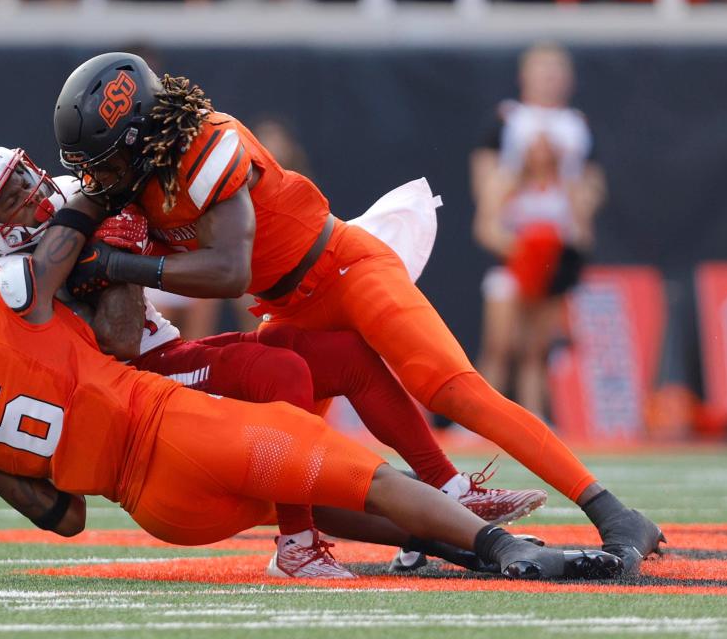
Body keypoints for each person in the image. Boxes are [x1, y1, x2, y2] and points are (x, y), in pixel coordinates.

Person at [52, 52, 662, 574]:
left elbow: (229, 271)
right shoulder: (133, 187)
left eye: (102, 160)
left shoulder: (209, 144)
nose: (96, 176)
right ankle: (408, 523)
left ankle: (613, 511)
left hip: (344, 269)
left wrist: (124, 266)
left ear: (139, 137)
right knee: (284, 444)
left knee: (449, 389)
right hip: (285, 304)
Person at [0, 143, 548, 578]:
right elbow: (115, 338)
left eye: (23, 174)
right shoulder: (9, 279)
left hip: (165, 351)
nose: (34, 191)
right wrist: (120, 259)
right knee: (284, 374)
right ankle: (298, 541)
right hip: (139, 380)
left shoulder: (64, 205)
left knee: (343, 355)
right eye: (10, 197)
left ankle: (447, 489)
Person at [0, 237, 623, 583]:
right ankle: (503, 549)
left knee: (323, 494)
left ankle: (464, 548)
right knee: (356, 474)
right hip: (174, 427)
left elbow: (63, 517)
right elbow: (70, 255)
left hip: (157, 507)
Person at [471, 42, 604, 420]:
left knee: (536, 350)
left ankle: (534, 422)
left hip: (552, 257)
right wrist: (524, 251)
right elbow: (486, 216)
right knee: (500, 346)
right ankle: (481, 420)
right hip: (515, 257)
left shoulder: (577, 139)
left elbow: (587, 205)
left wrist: (563, 246)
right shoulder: (506, 139)